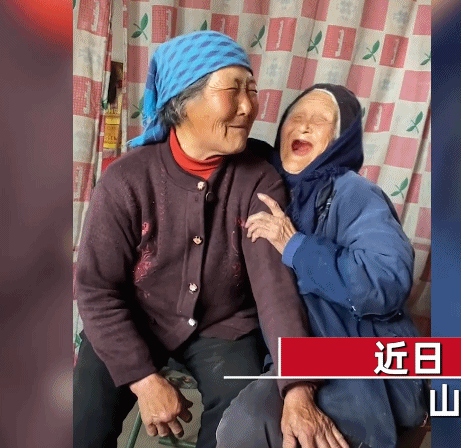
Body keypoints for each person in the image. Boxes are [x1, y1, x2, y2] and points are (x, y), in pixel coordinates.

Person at [73, 33, 348, 448]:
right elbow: (96, 290)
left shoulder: (260, 180)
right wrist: (144, 380)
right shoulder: (125, 180)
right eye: (232, 90)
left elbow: (274, 290)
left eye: (251, 90)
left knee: (235, 428)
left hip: (223, 327)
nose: (248, 106)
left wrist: (297, 386)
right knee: (81, 425)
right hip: (132, 318)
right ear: (183, 101)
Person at [217, 84, 428, 448]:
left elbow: (387, 281)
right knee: (233, 408)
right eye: (296, 117)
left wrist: (295, 246)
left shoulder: (354, 193)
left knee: (250, 425)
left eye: (319, 120)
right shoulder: (265, 186)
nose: (303, 126)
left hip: (353, 354)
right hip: (284, 349)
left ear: (340, 140)